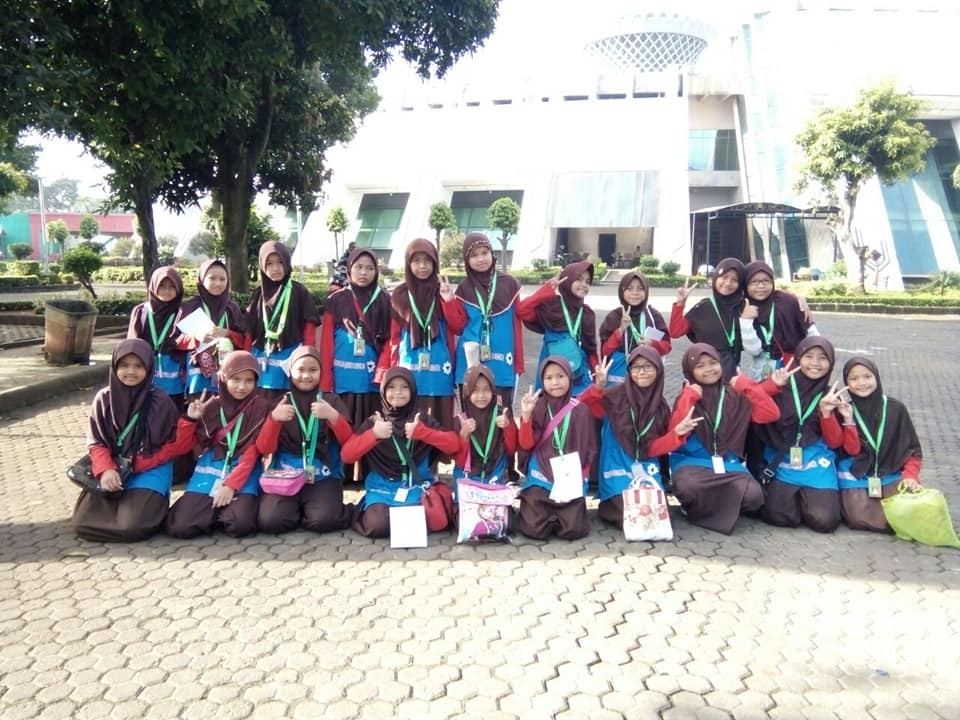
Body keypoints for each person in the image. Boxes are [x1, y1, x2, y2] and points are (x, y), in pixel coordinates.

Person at [73, 339, 198, 542]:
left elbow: (176, 446)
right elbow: (97, 442)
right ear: (114, 367)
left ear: (148, 368)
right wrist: (106, 470)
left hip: (149, 469)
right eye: (124, 365)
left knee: (131, 526)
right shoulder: (103, 399)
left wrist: (189, 421)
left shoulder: (160, 401)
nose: (131, 372)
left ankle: (150, 510)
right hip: (115, 466)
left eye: (138, 366)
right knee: (83, 523)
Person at [579, 348, 699, 528]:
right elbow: (580, 407)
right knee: (632, 514)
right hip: (616, 466)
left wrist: (676, 434)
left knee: (655, 513)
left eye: (648, 366)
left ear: (658, 369)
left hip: (645, 468)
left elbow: (653, 448)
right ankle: (608, 505)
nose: (641, 371)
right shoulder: (614, 396)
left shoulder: (660, 407)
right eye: (635, 367)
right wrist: (598, 387)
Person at [668, 343, 780, 534]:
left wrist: (747, 385)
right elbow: (675, 431)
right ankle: (698, 506)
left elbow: (771, 414)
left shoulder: (734, 394)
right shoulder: (688, 396)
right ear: (690, 371)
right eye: (700, 366)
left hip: (728, 464)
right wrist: (689, 397)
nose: (709, 369)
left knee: (754, 497)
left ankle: (711, 506)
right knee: (687, 487)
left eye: (713, 363)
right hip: (692, 462)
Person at [342, 367, 460, 538]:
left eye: (404, 387)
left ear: (413, 391)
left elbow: (454, 445)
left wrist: (424, 433)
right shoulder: (375, 421)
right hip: (382, 488)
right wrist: (373, 435)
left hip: (416, 486)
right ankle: (367, 508)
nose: (398, 392)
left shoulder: (421, 419)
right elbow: (347, 455)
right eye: (391, 387)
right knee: (377, 525)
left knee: (431, 517)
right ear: (383, 391)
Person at [755, 337, 856, 533]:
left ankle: (806, 500)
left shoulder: (831, 395)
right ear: (798, 358)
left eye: (822, 358)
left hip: (816, 462)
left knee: (825, 521)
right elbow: (747, 403)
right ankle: (795, 500)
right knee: (779, 516)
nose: (815, 363)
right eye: (809, 356)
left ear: (831, 363)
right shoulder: (781, 385)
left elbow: (835, 442)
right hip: (781, 458)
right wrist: (771, 386)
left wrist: (826, 414)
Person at [164, 352, 270, 538]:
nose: (242, 387)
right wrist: (190, 420)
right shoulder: (211, 406)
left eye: (249, 380)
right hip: (212, 467)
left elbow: (253, 452)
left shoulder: (260, 407)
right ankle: (211, 514)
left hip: (243, 469)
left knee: (240, 524)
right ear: (224, 377)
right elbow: (182, 447)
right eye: (235, 379)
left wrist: (230, 486)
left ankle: (220, 513)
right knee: (181, 527)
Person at [256, 346, 356, 534]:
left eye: (313, 370)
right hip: (285, 474)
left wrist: (333, 416)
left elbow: (349, 443)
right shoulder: (281, 403)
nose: (306, 376)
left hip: (322, 474)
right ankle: (297, 508)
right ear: (290, 371)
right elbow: (264, 448)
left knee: (323, 521)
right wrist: (274, 420)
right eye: (300, 369)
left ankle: (317, 507)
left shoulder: (331, 401)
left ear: (321, 372)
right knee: (271, 521)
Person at [320, 247, 392, 482]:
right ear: (349, 269)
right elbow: (327, 342)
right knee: (342, 425)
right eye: (358, 267)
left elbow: (390, 340)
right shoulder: (336, 300)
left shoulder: (384, 300)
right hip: (342, 381)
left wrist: (382, 372)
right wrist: (326, 382)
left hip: (370, 380)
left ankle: (369, 474)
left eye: (369, 268)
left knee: (369, 425)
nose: (364, 273)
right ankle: (341, 474)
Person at [837, 357, 923, 532]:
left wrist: (911, 476)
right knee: (859, 518)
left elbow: (912, 450)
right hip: (858, 473)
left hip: (890, 471)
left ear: (876, 377)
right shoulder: (845, 409)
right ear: (847, 383)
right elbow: (851, 450)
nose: (862, 383)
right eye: (854, 378)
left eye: (867, 376)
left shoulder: (896, 409)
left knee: (904, 513)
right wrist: (848, 421)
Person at [516, 356, 597, 540]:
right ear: (542, 381)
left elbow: (589, 450)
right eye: (549, 378)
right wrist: (526, 416)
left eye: (560, 376)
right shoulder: (538, 407)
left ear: (570, 377)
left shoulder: (581, 410)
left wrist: (580, 478)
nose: (555, 383)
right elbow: (526, 444)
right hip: (542, 476)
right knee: (533, 528)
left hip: (569, 478)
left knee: (574, 529)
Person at [388, 239, 461, 430]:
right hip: (410, 370)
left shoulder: (441, 291)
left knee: (439, 426)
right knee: (410, 424)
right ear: (408, 263)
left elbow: (458, 327)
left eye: (427, 260)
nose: (422, 266)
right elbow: (394, 337)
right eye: (416, 261)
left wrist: (449, 301)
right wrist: (392, 369)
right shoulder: (399, 295)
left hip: (440, 372)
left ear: (435, 263)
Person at [449, 232, 524, 406]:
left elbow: (516, 325)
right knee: (471, 417)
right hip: (469, 362)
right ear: (466, 260)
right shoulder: (463, 288)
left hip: (502, 362)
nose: (481, 259)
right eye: (474, 255)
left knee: (501, 416)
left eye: (484, 253)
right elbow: (458, 327)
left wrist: (519, 362)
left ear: (492, 253)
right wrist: (448, 302)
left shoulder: (509, 284)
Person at [245, 241, 319, 397]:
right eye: (269, 264)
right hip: (262, 361)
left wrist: (307, 358)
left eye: (280, 262)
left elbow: (309, 328)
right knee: (261, 404)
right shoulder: (258, 295)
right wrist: (246, 363)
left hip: (292, 362)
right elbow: (249, 332)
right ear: (262, 266)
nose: (275, 268)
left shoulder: (299, 292)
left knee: (289, 404)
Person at [517, 260, 598, 396]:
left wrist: (597, 376)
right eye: (579, 279)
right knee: (551, 406)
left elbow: (590, 349)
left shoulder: (587, 313)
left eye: (587, 281)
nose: (584, 285)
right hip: (552, 372)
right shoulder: (551, 306)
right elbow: (522, 310)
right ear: (567, 280)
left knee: (579, 408)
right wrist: (547, 288)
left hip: (579, 375)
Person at [740, 261, 819, 381]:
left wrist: (815, 359)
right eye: (754, 282)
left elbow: (812, 335)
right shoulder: (744, 307)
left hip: (793, 367)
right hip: (761, 372)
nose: (761, 286)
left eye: (766, 281)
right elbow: (754, 350)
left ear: (772, 282)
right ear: (746, 285)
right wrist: (745, 321)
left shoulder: (789, 302)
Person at [669, 258, 746, 381]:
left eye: (735, 280)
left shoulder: (743, 307)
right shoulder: (704, 307)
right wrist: (680, 304)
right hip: (706, 371)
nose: (728, 283)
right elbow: (675, 332)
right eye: (724, 277)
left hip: (731, 371)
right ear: (716, 278)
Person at [179, 259, 245, 397]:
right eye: (212, 278)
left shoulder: (232, 308)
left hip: (226, 373)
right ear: (202, 279)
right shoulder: (190, 307)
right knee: (198, 408)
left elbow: (244, 340)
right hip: (197, 376)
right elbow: (175, 341)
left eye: (222, 279)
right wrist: (196, 337)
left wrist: (227, 333)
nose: (218, 283)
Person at [452, 365, 518, 491]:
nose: (481, 395)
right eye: (475, 390)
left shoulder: (501, 415)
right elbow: (459, 461)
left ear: (493, 391)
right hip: (468, 477)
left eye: (486, 389)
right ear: (467, 392)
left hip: (495, 475)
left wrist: (508, 427)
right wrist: (463, 435)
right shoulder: (461, 420)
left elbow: (511, 450)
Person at [598, 271, 671, 385]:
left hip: (646, 375)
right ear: (622, 291)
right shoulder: (614, 317)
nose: (635, 293)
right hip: (619, 377)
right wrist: (621, 329)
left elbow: (667, 346)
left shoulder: (653, 316)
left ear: (646, 291)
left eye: (640, 288)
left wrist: (652, 343)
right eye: (630, 288)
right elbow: (605, 352)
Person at [127, 266, 186, 402]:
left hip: (174, 374)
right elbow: (132, 342)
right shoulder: (141, 311)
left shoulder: (183, 312)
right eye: (162, 286)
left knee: (172, 409)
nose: (167, 291)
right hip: (146, 368)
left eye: (172, 287)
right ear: (153, 286)